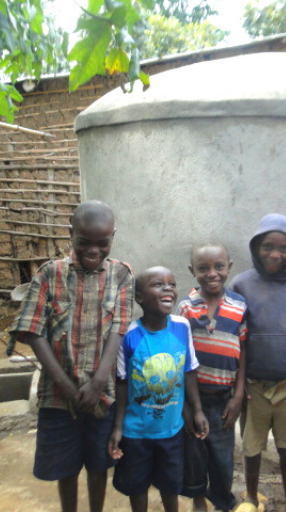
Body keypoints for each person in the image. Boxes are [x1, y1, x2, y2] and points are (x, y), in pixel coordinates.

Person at [7, 200, 133, 512]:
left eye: (102, 243)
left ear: (112, 237)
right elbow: (33, 331)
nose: (93, 250)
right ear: (70, 234)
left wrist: (97, 382)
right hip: (58, 396)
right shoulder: (50, 274)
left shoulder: (121, 275)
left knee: (98, 464)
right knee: (65, 468)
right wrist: (67, 385)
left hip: (100, 394)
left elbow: (118, 329)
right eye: (83, 242)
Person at [228, 213, 286, 512]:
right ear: (257, 247)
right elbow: (233, 337)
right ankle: (252, 499)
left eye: (283, 248)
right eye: (268, 246)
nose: (275, 254)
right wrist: (239, 385)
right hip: (254, 388)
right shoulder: (241, 284)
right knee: (252, 448)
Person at [108, 266, 209, 512]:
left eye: (172, 284)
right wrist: (119, 427)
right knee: (137, 486)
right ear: (139, 298)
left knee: (170, 484)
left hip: (171, 431)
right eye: (158, 284)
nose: (168, 289)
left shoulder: (181, 327)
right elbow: (122, 383)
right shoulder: (129, 336)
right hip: (136, 433)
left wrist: (197, 410)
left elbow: (188, 371)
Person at [176, 243, 248, 512]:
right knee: (194, 454)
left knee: (222, 457)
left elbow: (244, 352)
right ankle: (198, 501)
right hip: (193, 397)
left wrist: (238, 395)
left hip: (224, 400)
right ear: (192, 271)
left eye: (219, 267)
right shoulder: (185, 308)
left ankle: (222, 502)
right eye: (203, 268)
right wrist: (189, 407)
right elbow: (181, 356)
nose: (212, 274)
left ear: (229, 267)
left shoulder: (239, 306)